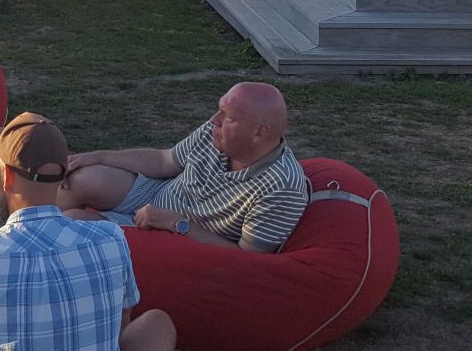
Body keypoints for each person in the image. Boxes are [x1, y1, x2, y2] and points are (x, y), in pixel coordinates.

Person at [0, 113, 176, 351]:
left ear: (7, 175)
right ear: (65, 173)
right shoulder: (111, 238)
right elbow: (117, 328)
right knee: (156, 323)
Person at [58, 83, 309, 254]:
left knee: (71, 226)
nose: (214, 120)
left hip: (178, 238)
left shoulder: (281, 187)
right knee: (82, 177)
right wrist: (100, 156)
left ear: (259, 132)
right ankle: (23, 234)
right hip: (157, 197)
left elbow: (247, 258)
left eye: (228, 117)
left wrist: (176, 223)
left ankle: (37, 260)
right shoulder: (218, 135)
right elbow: (163, 161)